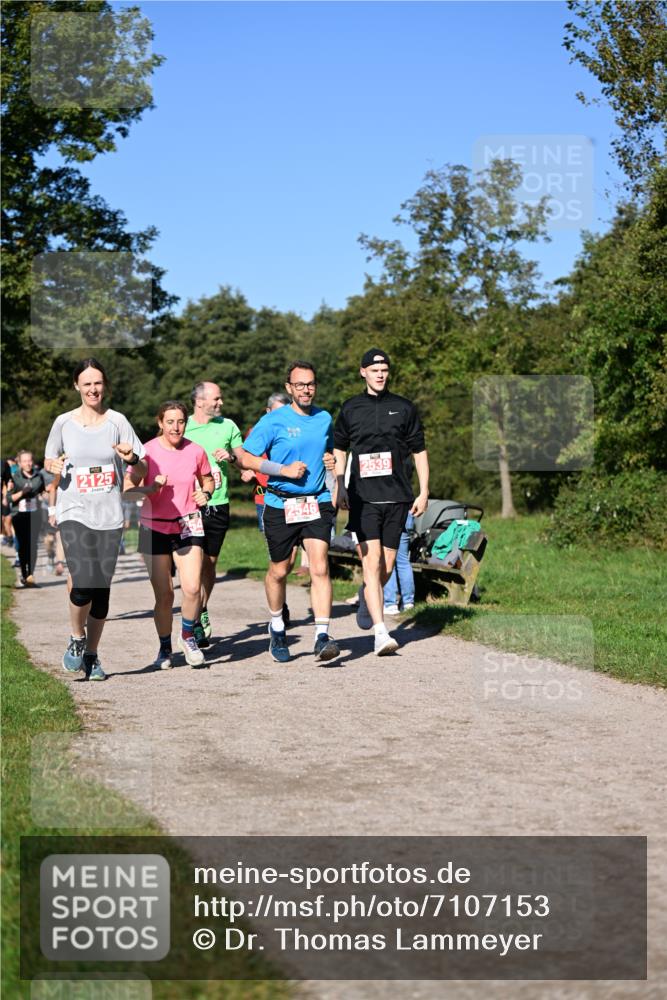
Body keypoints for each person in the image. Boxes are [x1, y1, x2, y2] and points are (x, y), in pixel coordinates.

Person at [45, 358, 145, 681]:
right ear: (77, 386)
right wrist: (53, 467)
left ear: (105, 386)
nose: (93, 389)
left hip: (110, 515)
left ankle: (92, 655)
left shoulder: (118, 422)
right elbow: (49, 459)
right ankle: (76, 638)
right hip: (74, 511)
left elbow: (141, 468)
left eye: (97, 383)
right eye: (86, 383)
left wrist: (131, 458)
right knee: (84, 581)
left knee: (101, 590)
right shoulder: (63, 423)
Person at [238, 361, 339, 664]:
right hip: (280, 503)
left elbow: (327, 450)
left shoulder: (324, 418)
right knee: (279, 571)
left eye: (310, 384)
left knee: (319, 567)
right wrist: (282, 470)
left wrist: (332, 465)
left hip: (316, 501)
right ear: (289, 388)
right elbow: (244, 457)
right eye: (300, 385)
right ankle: (277, 627)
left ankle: (322, 636)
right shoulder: (273, 421)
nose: (306, 389)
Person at [333, 348, 429, 655]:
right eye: (374, 370)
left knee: (385, 565)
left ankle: (366, 593)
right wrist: (340, 486)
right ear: (363, 372)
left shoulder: (404, 408)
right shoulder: (350, 408)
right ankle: (380, 631)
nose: (380, 374)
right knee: (371, 561)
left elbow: (419, 451)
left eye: (384, 370)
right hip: (363, 497)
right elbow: (339, 449)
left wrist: (424, 490)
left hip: (398, 496)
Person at [124, 400, 214, 670]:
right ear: (160, 423)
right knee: (164, 596)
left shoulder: (196, 450)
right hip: (153, 526)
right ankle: (164, 649)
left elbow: (208, 478)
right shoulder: (146, 452)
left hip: (188, 524)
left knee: (192, 588)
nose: (176, 427)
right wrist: (150, 488)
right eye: (170, 422)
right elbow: (128, 489)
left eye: (181, 421)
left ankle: (187, 637)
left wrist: (205, 493)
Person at [183, 382, 243, 646]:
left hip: (218, 503)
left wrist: (230, 457)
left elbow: (244, 459)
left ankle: (201, 609)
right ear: (199, 401)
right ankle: (193, 619)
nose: (220, 403)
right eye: (216, 399)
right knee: (191, 564)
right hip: (189, 505)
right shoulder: (182, 427)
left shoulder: (228, 426)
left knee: (209, 563)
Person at [8, 450, 47, 587]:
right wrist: (21, 493)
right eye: (24, 461)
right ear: (19, 463)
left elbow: (43, 491)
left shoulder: (38, 476)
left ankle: (30, 575)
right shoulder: (14, 477)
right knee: (24, 546)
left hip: (35, 515)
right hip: (19, 515)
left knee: (33, 546)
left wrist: (44, 495)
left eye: (30, 460)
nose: (28, 463)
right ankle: (25, 575)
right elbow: (8, 498)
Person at [383, 511, 416, 615]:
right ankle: (408, 603)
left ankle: (390, 603)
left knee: (388, 559)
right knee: (403, 561)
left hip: (389, 511)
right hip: (406, 512)